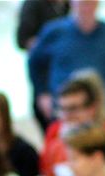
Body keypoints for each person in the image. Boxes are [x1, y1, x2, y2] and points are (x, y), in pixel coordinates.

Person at [28, 0, 105, 123]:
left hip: (102, 109)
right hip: (63, 110)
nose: (85, 6)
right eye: (82, 2)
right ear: (72, 3)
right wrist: (42, 92)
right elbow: (35, 63)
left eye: (89, 2)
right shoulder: (54, 32)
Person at [16, 0, 70, 131]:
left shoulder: (68, 6)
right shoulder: (34, 5)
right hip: (46, 83)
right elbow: (24, 41)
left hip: (67, 80)